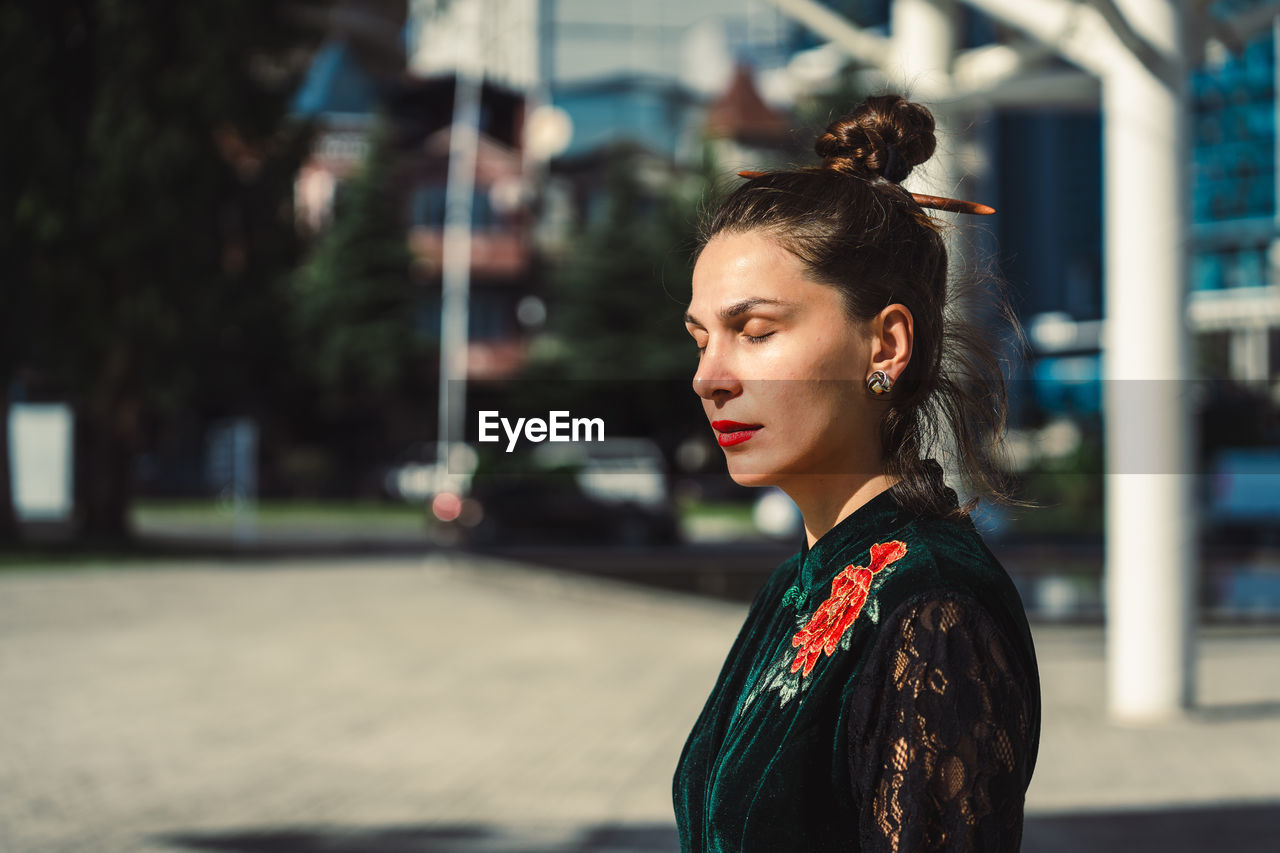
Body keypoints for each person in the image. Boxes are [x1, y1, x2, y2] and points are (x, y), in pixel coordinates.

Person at [672, 94, 1041, 852]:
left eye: (756, 331)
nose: (710, 376)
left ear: (885, 346)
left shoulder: (932, 609)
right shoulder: (802, 582)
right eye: (702, 338)